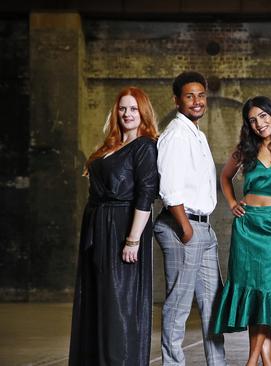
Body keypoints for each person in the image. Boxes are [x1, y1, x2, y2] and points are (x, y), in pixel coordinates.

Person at [214, 96, 271, 366]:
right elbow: (225, 176)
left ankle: (252, 360)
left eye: (263, 116)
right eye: (253, 120)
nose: (259, 123)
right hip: (247, 226)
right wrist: (232, 203)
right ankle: (266, 360)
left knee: (268, 290)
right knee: (254, 292)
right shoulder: (244, 150)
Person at [69, 86, 159, 365]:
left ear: (143, 112)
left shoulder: (144, 146)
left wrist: (133, 239)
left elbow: (146, 193)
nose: (127, 114)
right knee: (96, 301)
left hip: (122, 228)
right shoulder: (110, 147)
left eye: (133, 108)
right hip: (97, 229)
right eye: (123, 108)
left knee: (118, 305)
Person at [154, 71, 226, 365]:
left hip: (203, 228)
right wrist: (185, 228)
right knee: (179, 304)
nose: (197, 101)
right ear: (177, 100)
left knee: (213, 306)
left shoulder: (197, 134)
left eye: (201, 95)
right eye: (189, 96)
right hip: (183, 227)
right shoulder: (175, 135)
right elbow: (169, 188)